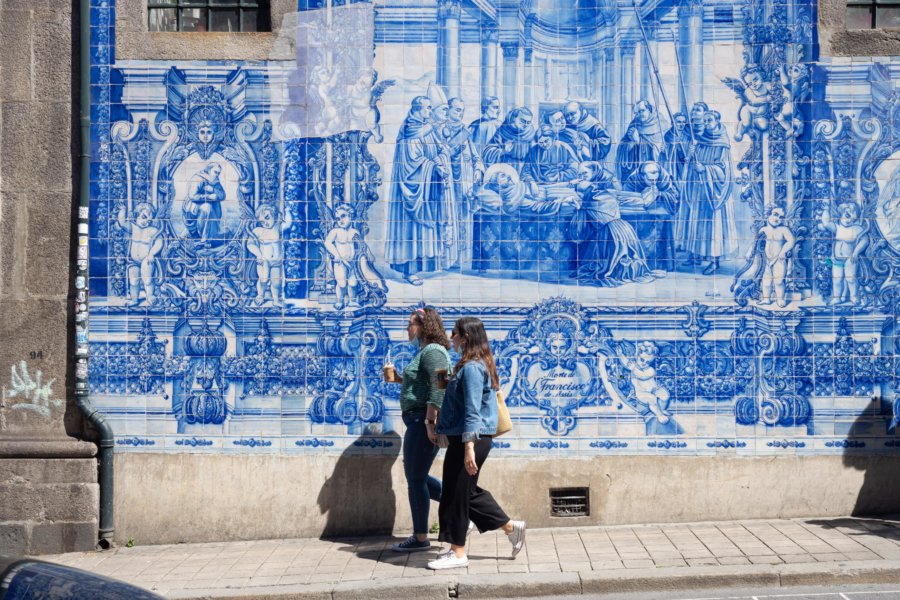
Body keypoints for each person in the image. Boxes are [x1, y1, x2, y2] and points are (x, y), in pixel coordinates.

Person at [428, 317, 525, 570]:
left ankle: (458, 553)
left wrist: (468, 446)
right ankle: (511, 528)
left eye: (455, 334)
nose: (452, 338)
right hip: (470, 437)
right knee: (465, 492)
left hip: (470, 438)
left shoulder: (472, 367)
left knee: (454, 494)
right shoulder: (473, 365)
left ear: (466, 337)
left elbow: (472, 410)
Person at [388, 307, 452, 552]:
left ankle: (420, 537)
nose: (407, 328)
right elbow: (427, 383)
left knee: (415, 479)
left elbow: (441, 385)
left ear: (424, 326)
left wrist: (430, 423)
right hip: (417, 421)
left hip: (422, 422)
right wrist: (400, 380)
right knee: (419, 477)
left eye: (410, 323)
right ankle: (462, 506)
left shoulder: (434, 351)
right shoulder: (426, 351)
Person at [384, 96, 457, 285]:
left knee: (424, 231)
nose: (429, 111)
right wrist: (434, 167)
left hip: (428, 189)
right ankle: (409, 271)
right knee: (411, 231)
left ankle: (423, 266)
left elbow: (440, 149)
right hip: (413, 190)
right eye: (427, 108)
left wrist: (441, 159)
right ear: (417, 109)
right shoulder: (410, 130)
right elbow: (412, 164)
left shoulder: (427, 127)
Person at [682, 110, 738, 275]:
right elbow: (691, 165)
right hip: (700, 190)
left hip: (716, 192)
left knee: (714, 226)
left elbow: (725, 171)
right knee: (700, 224)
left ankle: (715, 261)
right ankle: (697, 255)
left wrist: (705, 169)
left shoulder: (722, 144)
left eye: (709, 121)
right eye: (704, 121)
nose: (706, 124)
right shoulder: (700, 142)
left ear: (717, 121)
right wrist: (691, 155)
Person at [616, 100, 665, 185]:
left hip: (652, 173)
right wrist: (632, 143)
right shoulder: (634, 124)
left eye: (642, 111)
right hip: (635, 171)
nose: (639, 115)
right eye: (636, 113)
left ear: (649, 110)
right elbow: (621, 147)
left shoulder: (661, 124)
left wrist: (639, 141)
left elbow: (660, 151)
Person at [481, 107, 537, 172]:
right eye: (522, 121)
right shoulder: (503, 130)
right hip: (506, 169)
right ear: (513, 118)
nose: (525, 125)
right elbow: (488, 151)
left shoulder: (531, 133)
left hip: (525, 170)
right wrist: (503, 151)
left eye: (528, 122)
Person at [184, 162, 226, 246]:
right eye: (215, 172)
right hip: (193, 207)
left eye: (218, 173)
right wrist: (209, 196)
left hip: (208, 208)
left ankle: (208, 238)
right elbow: (192, 196)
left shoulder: (214, 180)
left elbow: (222, 195)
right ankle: (204, 240)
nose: (217, 174)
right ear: (209, 170)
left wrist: (213, 189)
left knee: (209, 207)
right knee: (207, 207)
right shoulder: (198, 178)